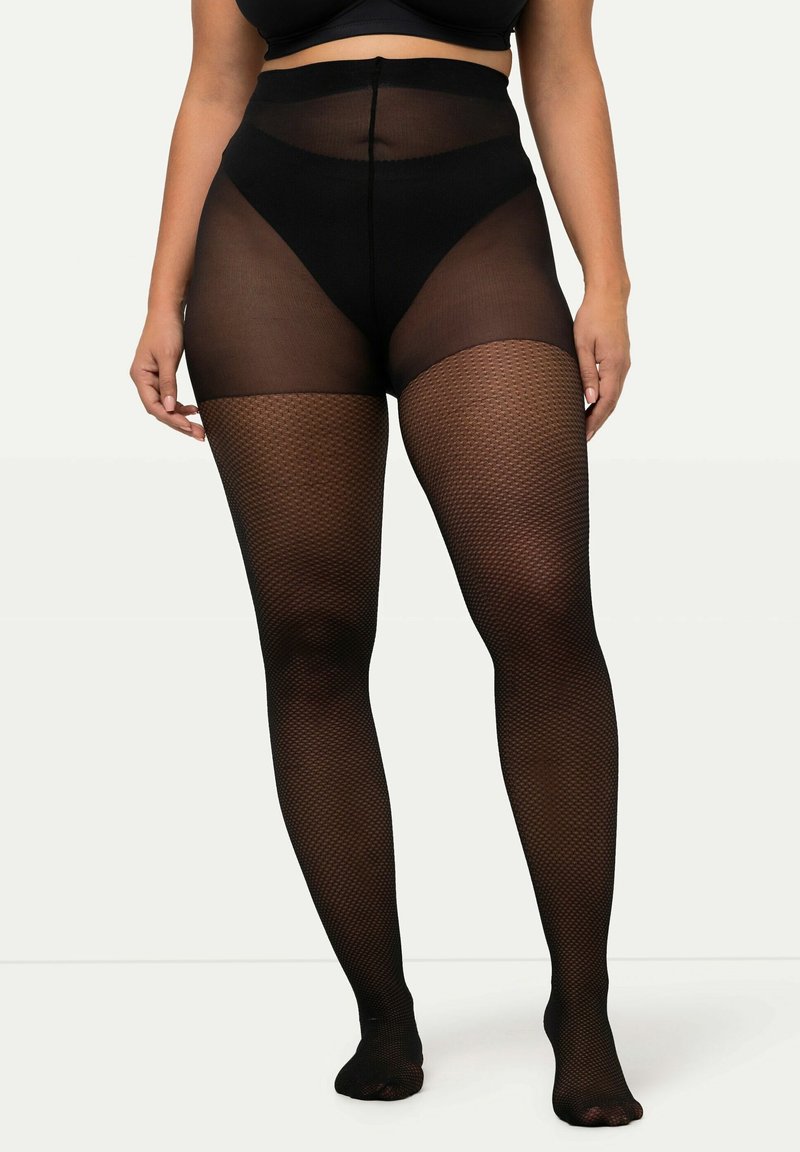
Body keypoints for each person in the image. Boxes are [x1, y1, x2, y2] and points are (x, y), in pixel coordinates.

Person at [129, 0, 642, 1127]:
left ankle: (583, 1006)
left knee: (542, 609)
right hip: (264, 246)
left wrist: (605, 280)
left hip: (474, 233)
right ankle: (382, 1012)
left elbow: (562, 73)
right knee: (310, 638)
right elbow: (215, 84)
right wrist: (162, 297)